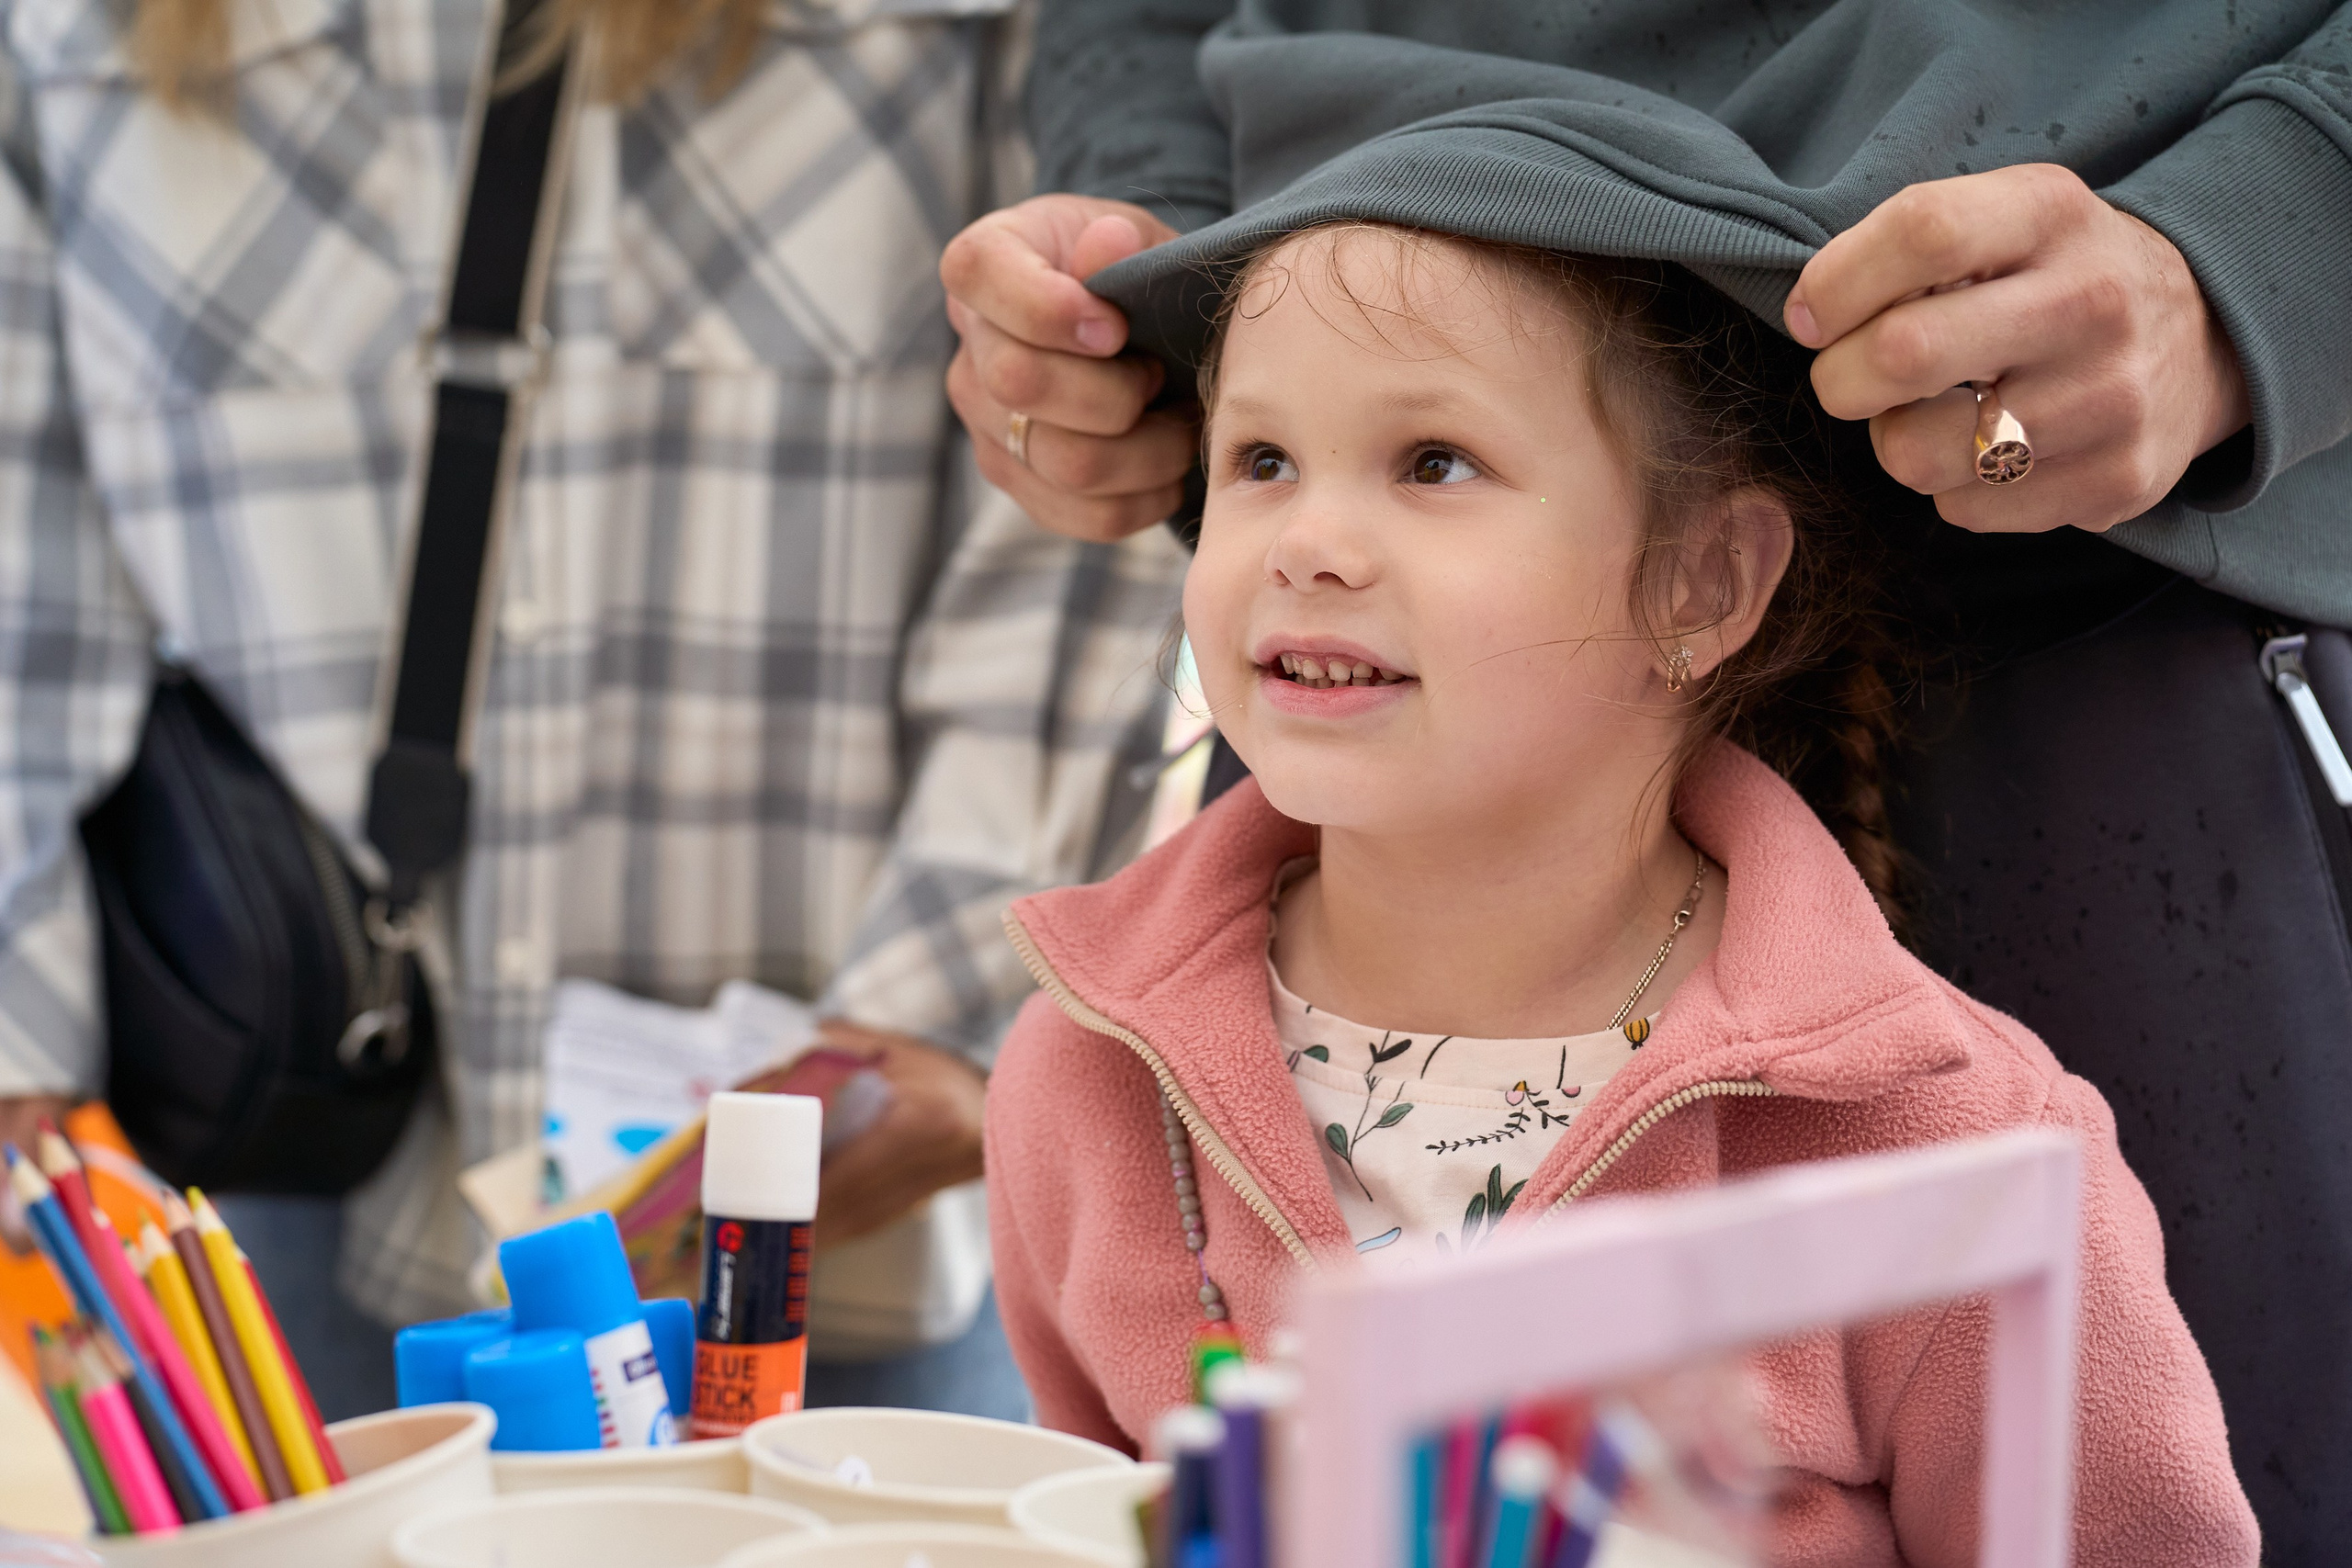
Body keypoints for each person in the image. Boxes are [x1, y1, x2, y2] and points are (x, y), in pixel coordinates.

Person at [946, 6, 2352, 1554]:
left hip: (2128, 666)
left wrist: (2269, 238)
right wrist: (1131, 222)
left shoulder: (1967, 1153)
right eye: (1261, 459)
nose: (1306, 541)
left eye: (1432, 464)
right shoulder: (1083, 1076)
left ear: (1704, 584)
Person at [0, 0, 1185, 1416]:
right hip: (290, 1142)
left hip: (852, 1169)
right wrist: (23, 1041)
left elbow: (1078, 491)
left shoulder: (970, 28)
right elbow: (26, 563)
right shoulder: (72, 35)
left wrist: (943, 998)